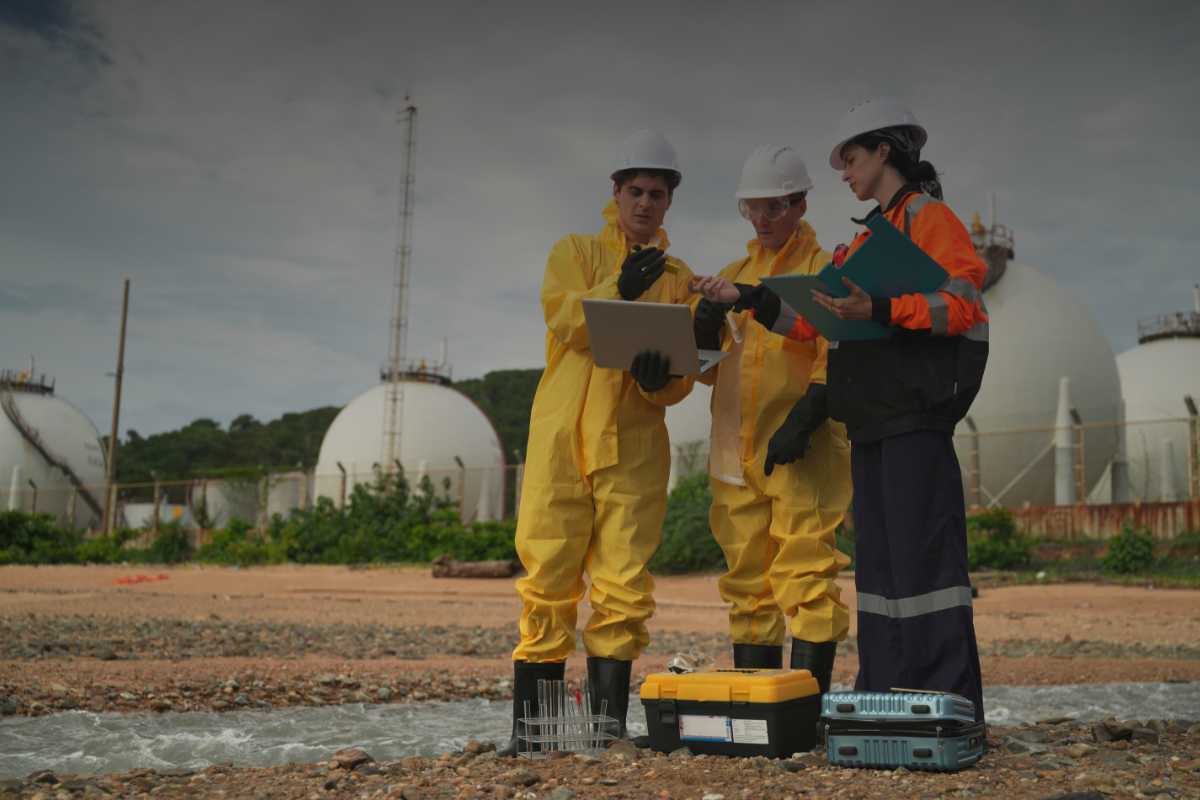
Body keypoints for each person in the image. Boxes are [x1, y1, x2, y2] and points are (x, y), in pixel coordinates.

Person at [698, 99, 988, 721]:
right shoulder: (867, 237)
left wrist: (881, 311)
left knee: (926, 566)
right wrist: (747, 296)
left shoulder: (928, 218)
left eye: (851, 159)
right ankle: (889, 697)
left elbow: (962, 305)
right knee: (882, 576)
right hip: (875, 422)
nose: (845, 172)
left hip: (915, 416)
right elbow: (813, 320)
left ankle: (946, 702)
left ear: (884, 151)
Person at [502, 130, 696, 755]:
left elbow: (682, 377)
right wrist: (622, 291)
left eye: (657, 194)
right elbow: (564, 318)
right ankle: (538, 739)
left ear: (670, 202)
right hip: (561, 440)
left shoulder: (679, 277)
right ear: (615, 192)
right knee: (547, 583)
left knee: (622, 590)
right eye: (635, 191)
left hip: (634, 450)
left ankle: (604, 736)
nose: (644, 203)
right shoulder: (576, 252)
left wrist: (660, 379)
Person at [689, 146, 852, 692]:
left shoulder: (826, 269)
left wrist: (808, 414)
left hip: (801, 446)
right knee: (747, 581)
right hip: (736, 448)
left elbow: (842, 346)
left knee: (806, 573)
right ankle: (758, 710)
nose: (761, 221)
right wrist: (703, 327)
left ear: (801, 203)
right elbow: (707, 373)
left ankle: (810, 708)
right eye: (750, 209)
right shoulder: (733, 275)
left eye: (773, 208)